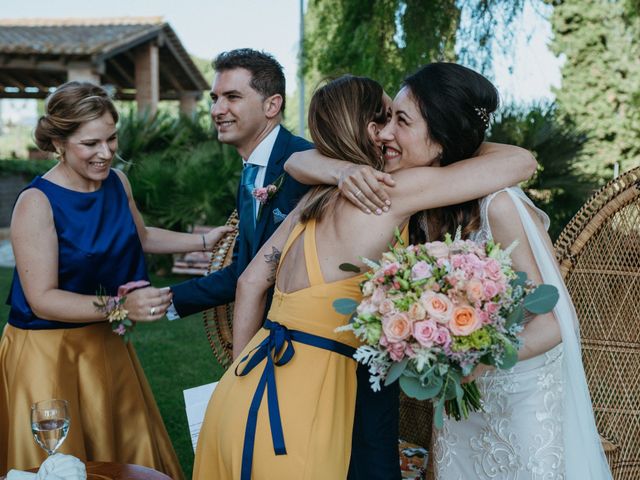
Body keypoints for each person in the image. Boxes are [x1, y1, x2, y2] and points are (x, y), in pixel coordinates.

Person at [191, 74, 537, 480]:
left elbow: (249, 283)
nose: (392, 130)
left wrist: (243, 381)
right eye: (387, 118)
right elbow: (522, 162)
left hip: (242, 389)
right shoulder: (389, 191)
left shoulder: (313, 202)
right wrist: (453, 135)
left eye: (400, 120)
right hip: (303, 406)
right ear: (372, 130)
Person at [290, 64, 612, 480]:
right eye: (387, 118)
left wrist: (469, 361)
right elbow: (297, 160)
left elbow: (551, 326)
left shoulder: (498, 206)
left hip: (520, 404)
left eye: (401, 121)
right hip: (464, 403)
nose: (384, 133)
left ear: (441, 140)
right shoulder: (426, 206)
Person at [0, 81, 233, 477]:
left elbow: (140, 237)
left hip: (106, 344)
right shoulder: (36, 203)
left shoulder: (117, 183)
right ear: (58, 142)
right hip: (47, 355)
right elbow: (42, 298)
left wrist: (204, 239)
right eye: (90, 144)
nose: (106, 152)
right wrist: (121, 307)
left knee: (119, 456)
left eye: (111, 138)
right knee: (59, 464)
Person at [144, 48, 313, 325]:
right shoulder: (249, 175)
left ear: (272, 105)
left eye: (232, 97)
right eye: (215, 99)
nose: (217, 110)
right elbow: (244, 269)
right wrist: (166, 298)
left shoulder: (306, 162)